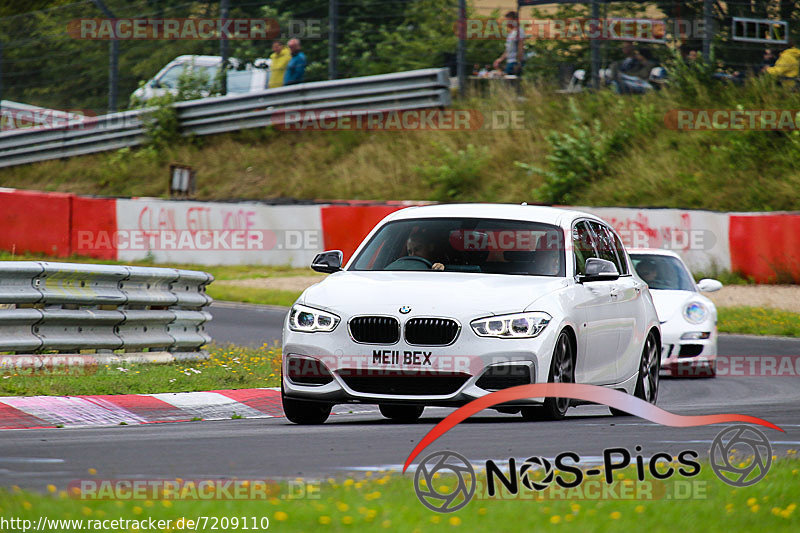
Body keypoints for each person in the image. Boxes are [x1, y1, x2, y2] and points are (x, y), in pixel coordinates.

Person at [493, 11, 525, 76]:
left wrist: (519, 63)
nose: (506, 23)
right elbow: (508, 49)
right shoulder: (511, 33)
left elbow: (520, 47)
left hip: (514, 63)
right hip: (509, 62)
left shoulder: (519, 32)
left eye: (508, 21)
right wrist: (500, 59)